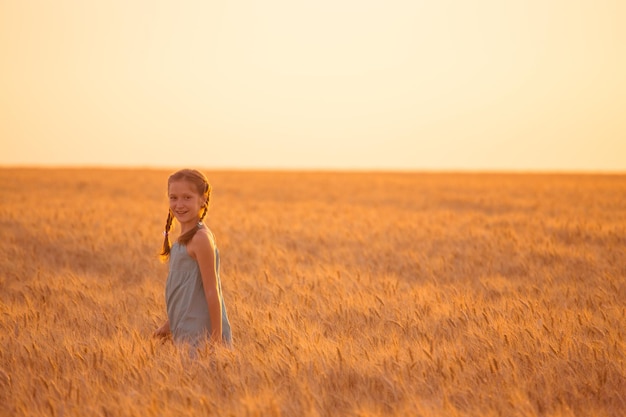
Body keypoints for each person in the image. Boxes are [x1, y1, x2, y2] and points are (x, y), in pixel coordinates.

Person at [153, 169, 232, 349]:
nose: (179, 204)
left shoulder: (200, 239)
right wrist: (169, 325)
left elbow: (212, 292)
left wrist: (216, 340)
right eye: (173, 197)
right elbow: (186, 293)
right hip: (184, 330)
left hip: (202, 334)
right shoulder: (181, 241)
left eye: (187, 197)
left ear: (203, 199)